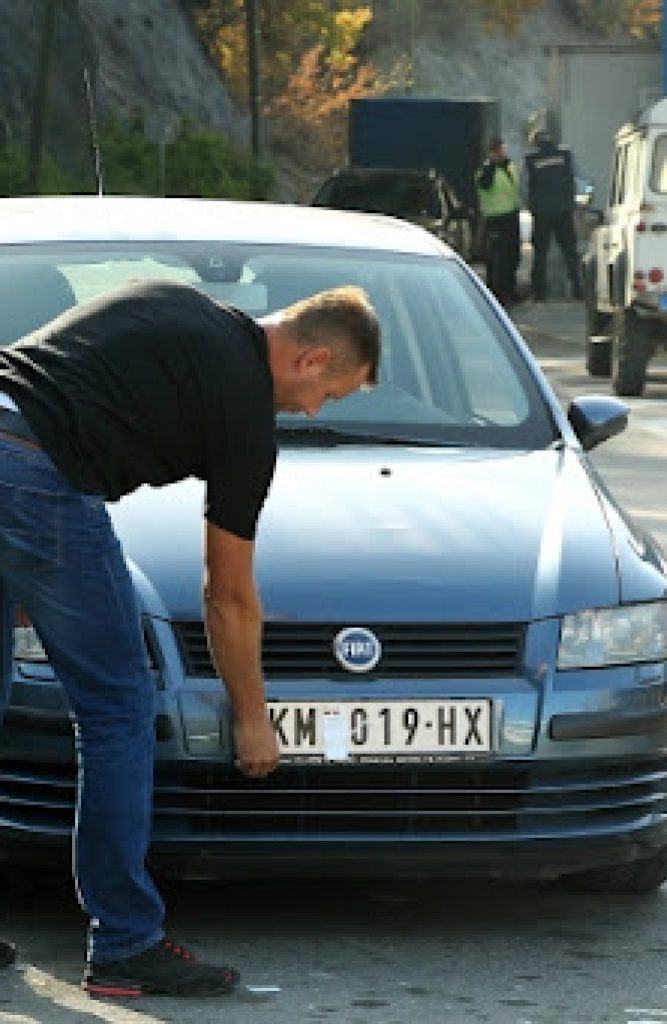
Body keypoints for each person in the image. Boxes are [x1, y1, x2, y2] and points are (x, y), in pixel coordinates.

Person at [0, 279, 379, 996]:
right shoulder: (243, 410)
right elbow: (227, 594)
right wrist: (252, 717)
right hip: (34, 475)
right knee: (118, 707)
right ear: (311, 358)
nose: (313, 409)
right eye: (330, 393)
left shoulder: (176, 303)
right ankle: (124, 943)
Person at [523, 128, 582, 301]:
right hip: (564, 210)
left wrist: (531, 206)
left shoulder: (530, 160)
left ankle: (539, 293)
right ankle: (577, 289)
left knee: (540, 253)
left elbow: (524, 187)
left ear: (536, 143)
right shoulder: (567, 156)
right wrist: (576, 203)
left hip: (541, 213)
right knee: (570, 252)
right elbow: (578, 180)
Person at [475, 136, 521, 308]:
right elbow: (484, 186)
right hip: (495, 218)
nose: (501, 153)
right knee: (497, 259)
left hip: (511, 216)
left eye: (502, 149)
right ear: (491, 153)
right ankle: (496, 292)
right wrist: (492, 166)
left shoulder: (510, 167)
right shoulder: (486, 171)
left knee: (513, 256)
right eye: (497, 150)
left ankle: (509, 290)